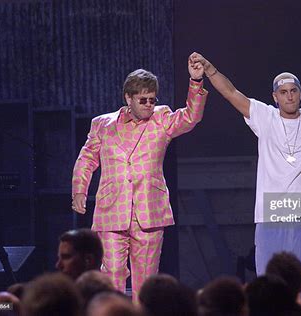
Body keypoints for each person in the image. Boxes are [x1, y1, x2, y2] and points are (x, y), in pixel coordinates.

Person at [190, 52, 301, 313]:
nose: (289, 95)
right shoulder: (265, 117)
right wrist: (209, 69)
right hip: (271, 214)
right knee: (269, 283)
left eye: (294, 90)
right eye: (283, 91)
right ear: (274, 97)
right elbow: (231, 93)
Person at [71, 55, 207, 303]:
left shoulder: (162, 119)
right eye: (142, 100)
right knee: (111, 278)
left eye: (152, 100)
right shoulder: (102, 124)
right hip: (112, 211)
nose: (148, 104)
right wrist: (80, 190)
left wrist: (195, 81)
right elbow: (87, 158)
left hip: (149, 210)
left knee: (145, 281)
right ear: (128, 98)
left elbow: (191, 117)